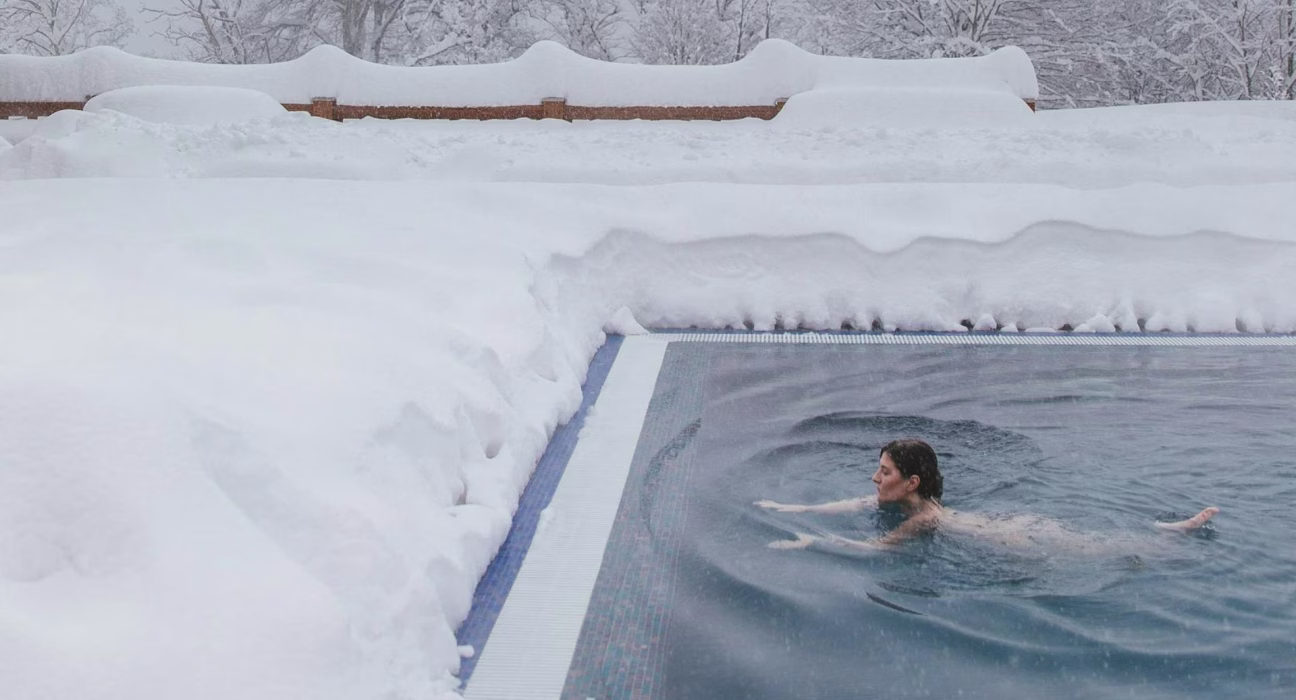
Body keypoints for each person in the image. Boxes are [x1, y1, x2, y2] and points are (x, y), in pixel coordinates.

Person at [757, 437, 1219, 552]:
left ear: (911, 483)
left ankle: (1168, 534)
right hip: (1003, 527)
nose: (874, 479)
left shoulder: (925, 519)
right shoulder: (904, 502)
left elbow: (874, 549)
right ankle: (1164, 531)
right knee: (1098, 542)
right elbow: (849, 505)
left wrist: (812, 542)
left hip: (1018, 542)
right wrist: (792, 508)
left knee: (1099, 548)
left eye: (884, 471)